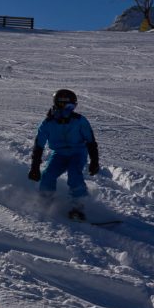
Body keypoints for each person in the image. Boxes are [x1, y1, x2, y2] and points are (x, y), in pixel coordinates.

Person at [28, 89, 100, 220]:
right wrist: (34, 167)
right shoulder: (47, 124)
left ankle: (78, 206)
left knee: (74, 174)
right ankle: (45, 201)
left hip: (77, 153)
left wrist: (94, 161)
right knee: (47, 175)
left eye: (72, 106)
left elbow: (90, 141)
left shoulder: (79, 121)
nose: (69, 109)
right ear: (58, 104)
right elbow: (38, 146)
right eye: (66, 105)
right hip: (59, 154)